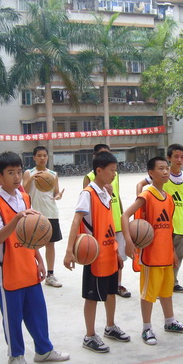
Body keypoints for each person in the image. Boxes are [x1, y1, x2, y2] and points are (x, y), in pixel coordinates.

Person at [0, 152, 69, 364]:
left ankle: (43, 350)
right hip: (8, 268)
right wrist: (17, 218)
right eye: (10, 173)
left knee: (37, 311)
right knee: (12, 316)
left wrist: (39, 259)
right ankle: (15, 355)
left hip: (28, 263)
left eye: (18, 172)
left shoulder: (24, 197)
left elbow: (32, 234)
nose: (16, 177)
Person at [65, 151, 131, 353]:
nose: (114, 174)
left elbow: (109, 224)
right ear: (99, 171)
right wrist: (69, 251)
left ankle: (110, 327)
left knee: (111, 293)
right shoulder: (87, 194)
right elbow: (76, 221)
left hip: (110, 252)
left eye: (115, 170)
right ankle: (89, 335)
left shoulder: (105, 193)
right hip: (94, 255)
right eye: (112, 170)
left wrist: (117, 251)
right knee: (92, 297)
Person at [123, 156, 183, 345]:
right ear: (151, 173)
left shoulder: (168, 198)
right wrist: (128, 241)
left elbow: (168, 228)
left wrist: (172, 252)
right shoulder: (147, 195)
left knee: (166, 291)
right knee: (148, 294)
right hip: (151, 256)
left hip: (165, 254)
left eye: (166, 168)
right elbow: (125, 215)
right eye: (161, 168)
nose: (165, 172)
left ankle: (170, 322)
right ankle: (146, 328)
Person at [136, 144, 183, 294]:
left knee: (178, 255)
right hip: (162, 224)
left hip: (180, 223)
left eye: (182, 157)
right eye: (176, 156)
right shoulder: (162, 174)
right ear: (169, 158)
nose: (179, 160)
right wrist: (141, 203)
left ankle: (173, 282)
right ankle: (160, 285)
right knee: (161, 256)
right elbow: (140, 184)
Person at [84, 144, 130, 298]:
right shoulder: (90, 178)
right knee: (104, 257)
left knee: (119, 257)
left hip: (115, 219)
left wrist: (122, 215)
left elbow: (118, 195)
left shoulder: (114, 174)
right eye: (102, 154)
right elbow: (87, 206)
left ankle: (118, 284)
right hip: (101, 226)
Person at [23, 146, 64, 288]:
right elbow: (24, 191)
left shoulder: (53, 174)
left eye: (44, 155)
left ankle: (50, 275)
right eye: (39, 155)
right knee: (31, 244)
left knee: (50, 244)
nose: (42, 158)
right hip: (34, 214)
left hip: (51, 212)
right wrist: (32, 178)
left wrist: (58, 196)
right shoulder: (28, 173)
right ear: (34, 157)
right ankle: (31, 273)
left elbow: (56, 192)